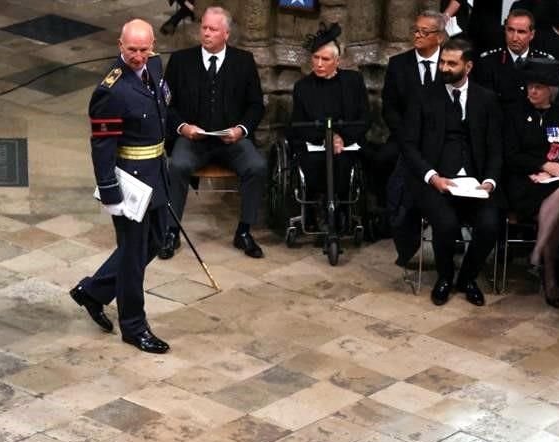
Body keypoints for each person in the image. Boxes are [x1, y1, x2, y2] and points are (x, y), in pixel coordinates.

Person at [69, 18, 170, 354]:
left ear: (152, 46)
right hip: (131, 182)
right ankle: (134, 327)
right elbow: (102, 147)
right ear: (120, 45)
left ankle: (93, 291)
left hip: (156, 174)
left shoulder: (155, 66)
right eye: (131, 50)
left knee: (156, 241)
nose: (138, 57)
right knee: (132, 256)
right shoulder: (111, 90)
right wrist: (110, 192)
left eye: (143, 49)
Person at [401, 38, 503, 307]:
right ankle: (444, 277)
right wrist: (432, 177)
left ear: (468, 67)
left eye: (451, 63)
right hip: (435, 180)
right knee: (446, 224)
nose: (444, 68)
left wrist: (489, 182)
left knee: (490, 224)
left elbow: (496, 148)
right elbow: (408, 145)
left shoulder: (487, 99)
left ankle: (467, 278)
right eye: (442, 62)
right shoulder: (422, 96)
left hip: (476, 183)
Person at [161, 6, 267, 260]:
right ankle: (171, 232)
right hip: (192, 140)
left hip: (231, 142)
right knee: (177, 166)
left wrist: (240, 130)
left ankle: (244, 231)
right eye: (204, 27)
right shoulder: (180, 61)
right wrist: (184, 128)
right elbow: (165, 105)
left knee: (257, 166)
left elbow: (256, 105)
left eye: (213, 29)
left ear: (226, 34)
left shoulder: (244, 61)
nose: (206, 33)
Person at [287, 23, 370, 229]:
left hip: (346, 145)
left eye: (325, 59)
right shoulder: (302, 87)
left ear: (337, 61)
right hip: (314, 144)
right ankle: (316, 208)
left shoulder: (353, 81)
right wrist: (325, 138)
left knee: (344, 163)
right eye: (316, 58)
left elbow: (364, 118)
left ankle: (341, 209)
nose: (319, 64)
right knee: (314, 163)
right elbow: (298, 125)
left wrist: (342, 138)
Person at [503, 58, 559, 307]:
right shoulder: (515, 113)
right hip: (524, 182)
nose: (531, 91)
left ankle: (538, 256)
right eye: (530, 86)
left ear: (551, 90)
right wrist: (541, 166)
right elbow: (510, 154)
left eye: (538, 87)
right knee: (558, 211)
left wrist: (557, 170)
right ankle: (549, 276)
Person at [377, 10, 447, 250]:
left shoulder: (450, 63)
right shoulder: (398, 64)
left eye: (424, 32)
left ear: (439, 37)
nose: (417, 35)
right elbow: (389, 108)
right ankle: (391, 216)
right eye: (415, 30)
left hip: (443, 139)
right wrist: (406, 137)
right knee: (382, 159)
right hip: (405, 136)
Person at [473, 9, 555, 110]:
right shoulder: (487, 62)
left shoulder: (545, 63)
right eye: (510, 30)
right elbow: (484, 104)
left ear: (532, 35)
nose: (514, 38)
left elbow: (549, 104)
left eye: (521, 32)